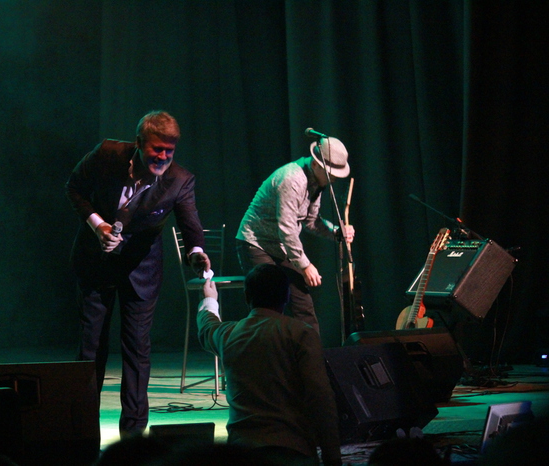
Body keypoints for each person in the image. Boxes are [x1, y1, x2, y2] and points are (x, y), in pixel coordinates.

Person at [65, 110, 211, 437]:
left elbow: (191, 225)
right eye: (157, 149)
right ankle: (81, 433)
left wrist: (196, 253)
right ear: (139, 143)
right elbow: (74, 188)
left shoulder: (180, 180)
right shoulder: (107, 154)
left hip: (141, 269)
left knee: (137, 349)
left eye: (169, 151)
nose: (163, 157)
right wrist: (98, 225)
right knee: (91, 348)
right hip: (96, 262)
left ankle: (133, 439)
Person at [196, 263, 343, 466]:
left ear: (246, 297)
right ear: (287, 296)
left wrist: (210, 299)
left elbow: (207, 326)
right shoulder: (301, 333)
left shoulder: (229, 334)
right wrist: (332, 456)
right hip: (293, 450)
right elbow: (320, 397)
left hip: (243, 453)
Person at [236, 137, 355, 335]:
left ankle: (311, 351)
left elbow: (311, 221)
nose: (334, 179)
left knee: (302, 302)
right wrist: (305, 265)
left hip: (281, 247)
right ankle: (268, 352)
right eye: (331, 174)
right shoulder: (292, 180)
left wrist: (336, 232)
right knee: (268, 304)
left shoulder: (316, 181)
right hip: (256, 243)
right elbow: (287, 228)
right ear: (316, 164)